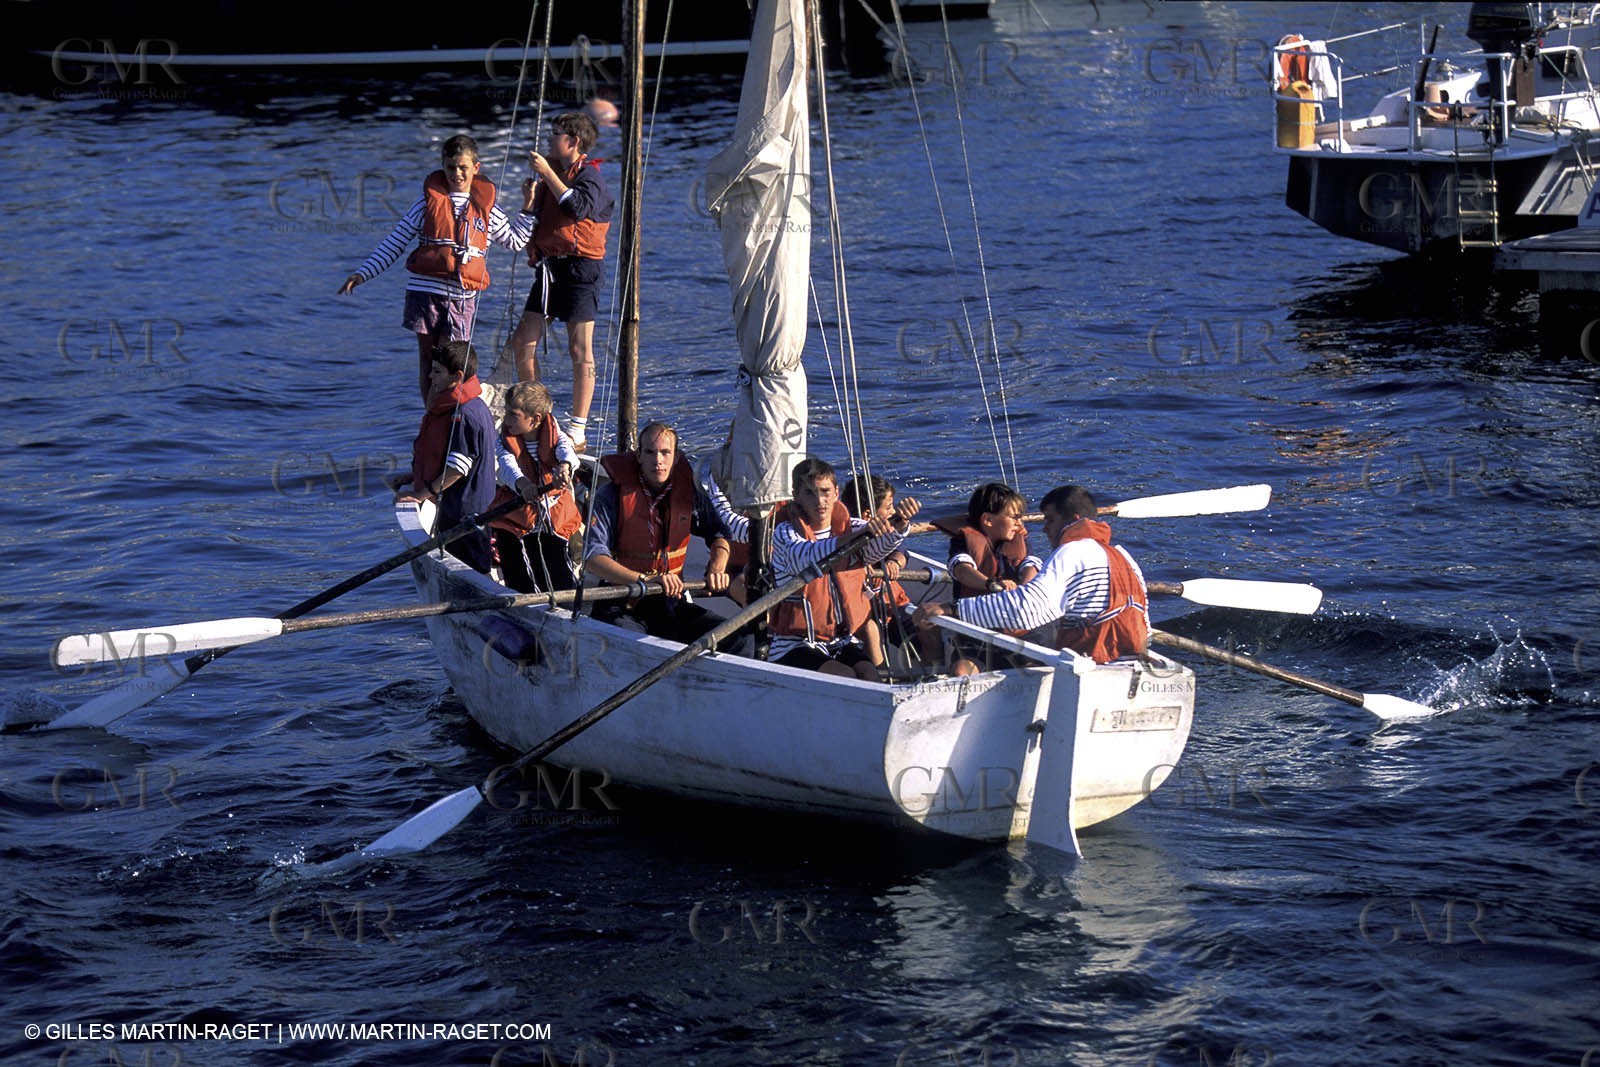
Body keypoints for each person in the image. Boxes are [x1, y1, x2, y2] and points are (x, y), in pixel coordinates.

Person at [339, 134, 537, 401]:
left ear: (476, 168)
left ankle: (453, 412)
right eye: (450, 167)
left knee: (453, 360)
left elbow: (515, 242)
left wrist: (527, 207)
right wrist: (364, 272)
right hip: (424, 293)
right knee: (429, 360)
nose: (456, 174)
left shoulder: (488, 210)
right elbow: (395, 241)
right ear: (443, 167)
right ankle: (431, 414)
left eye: (463, 168)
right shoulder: (426, 204)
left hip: (460, 298)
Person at [914, 485, 1149, 664]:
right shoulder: (1124, 556)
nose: (1044, 527)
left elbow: (1027, 610)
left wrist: (950, 609)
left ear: (1073, 521)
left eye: (1050, 519)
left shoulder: (1072, 552)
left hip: (1092, 666)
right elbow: (1145, 627)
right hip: (1131, 661)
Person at [506, 112, 615, 451]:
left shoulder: (589, 177)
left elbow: (577, 208)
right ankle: (537, 413)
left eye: (555, 135)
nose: (549, 140)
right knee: (523, 341)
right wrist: (530, 198)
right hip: (551, 270)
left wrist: (548, 173)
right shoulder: (552, 177)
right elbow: (538, 221)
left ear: (574, 141)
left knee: (579, 349)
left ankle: (578, 430)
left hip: (581, 269)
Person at [769, 459, 920, 680]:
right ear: (796, 495)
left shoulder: (852, 526)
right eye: (810, 493)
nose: (820, 501)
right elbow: (805, 557)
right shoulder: (785, 534)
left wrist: (900, 526)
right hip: (793, 644)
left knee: (870, 675)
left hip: (839, 641)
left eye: (825, 491)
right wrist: (852, 539)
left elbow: (875, 551)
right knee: (845, 675)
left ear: (836, 492)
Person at [585, 422, 735, 643]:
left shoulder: (689, 493)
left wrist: (717, 566)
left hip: (669, 602)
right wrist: (647, 580)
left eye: (665, 453)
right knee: (636, 642)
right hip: (621, 601)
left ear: (676, 458)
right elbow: (593, 558)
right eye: (650, 452)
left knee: (736, 637)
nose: (658, 460)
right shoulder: (611, 495)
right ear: (638, 456)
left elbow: (719, 533)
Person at [396, 341, 498, 573]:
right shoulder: (473, 407)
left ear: (458, 376)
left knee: (472, 569)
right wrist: (413, 476)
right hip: (458, 508)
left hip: (467, 511)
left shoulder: (465, 415)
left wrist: (421, 494)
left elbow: (458, 468)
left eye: (438, 371)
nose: (431, 376)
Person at [489, 381, 582, 593]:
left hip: (551, 513)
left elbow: (567, 452)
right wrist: (522, 484)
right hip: (517, 512)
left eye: (513, 414)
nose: (506, 419)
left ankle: (563, 605)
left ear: (536, 419)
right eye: (506, 412)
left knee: (556, 565)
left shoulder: (555, 433)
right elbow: (506, 465)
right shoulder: (504, 439)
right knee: (516, 567)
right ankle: (523, 604)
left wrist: (565, 468)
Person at [841, 473, 939, 673]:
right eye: (889, 507)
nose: (893, 511)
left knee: (928, 628)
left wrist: (895, 561)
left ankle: (933, 673)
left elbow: (899, 550)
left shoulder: (886, 539)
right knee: (870, 631)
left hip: (891, 604)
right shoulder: (847, 537)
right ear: (868, 515)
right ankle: (882, 676)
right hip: (861, 613)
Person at [944, 482, 1042, 600]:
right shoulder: (963, 542)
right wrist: (992, 584)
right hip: (974, 608)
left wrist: (1024, 589)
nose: (1019, 523)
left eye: (1020, 517)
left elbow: (1030, 564)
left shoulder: (1018, 538)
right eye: (1014, 518)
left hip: (1012, 603)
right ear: (988, 520)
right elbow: (962, 570)